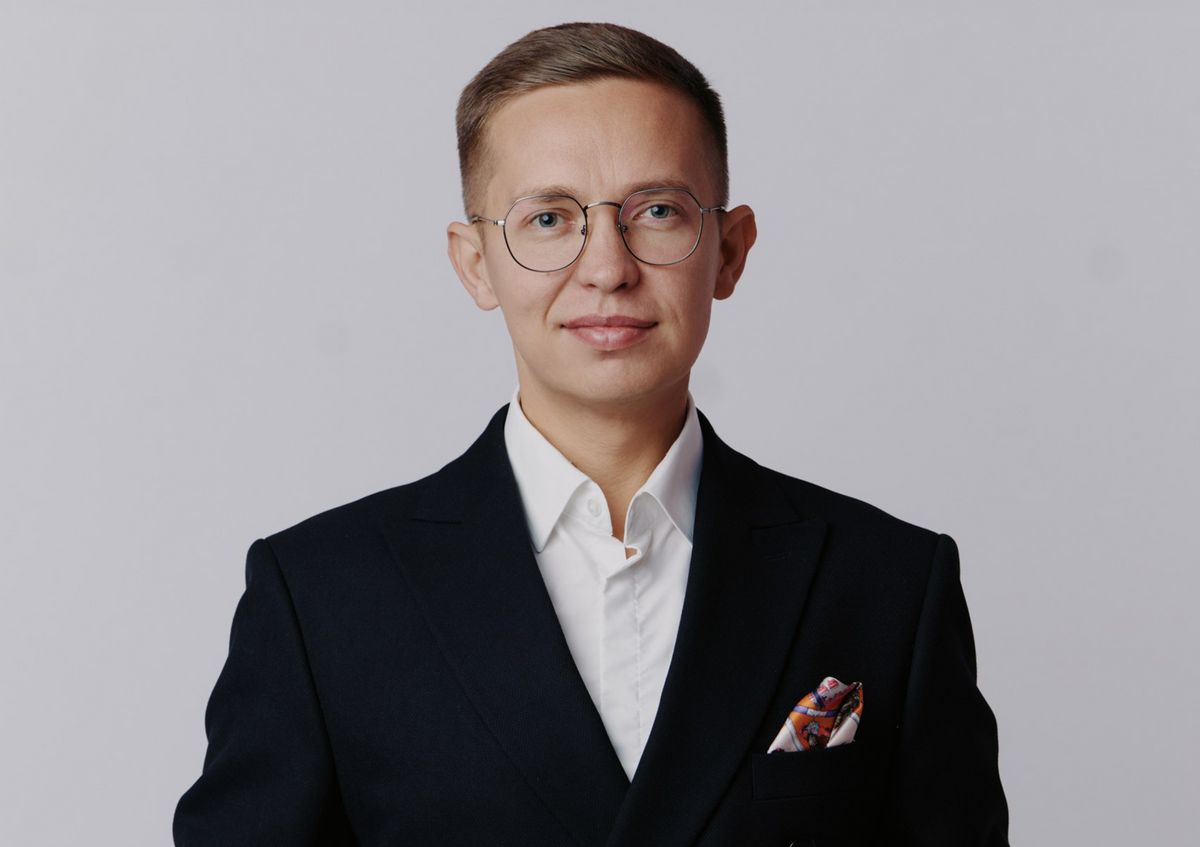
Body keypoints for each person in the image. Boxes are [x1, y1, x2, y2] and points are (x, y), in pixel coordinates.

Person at [173, 21, 1009, 846]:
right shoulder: (323, 597)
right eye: (548, 219)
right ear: (474, 262)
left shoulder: (890, 583)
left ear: (729, 250)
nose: (608, 267)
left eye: (658, 211)